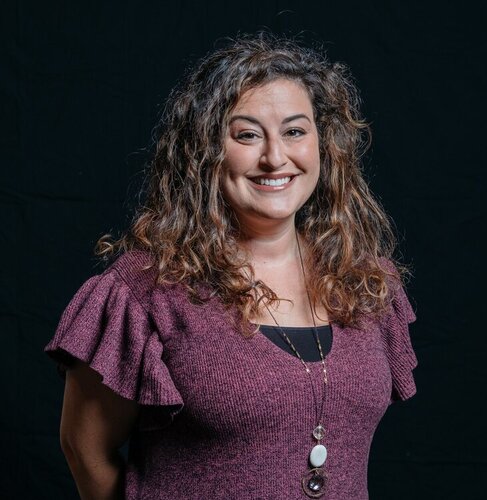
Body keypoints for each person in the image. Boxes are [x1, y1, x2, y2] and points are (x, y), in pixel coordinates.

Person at [45, 33, 418, 500]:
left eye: (295, 132)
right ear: (205, 151)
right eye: (247, 134)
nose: (275, 157)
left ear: (324, 144)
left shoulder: (366, 282)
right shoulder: (146, 290)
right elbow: (84, 449)